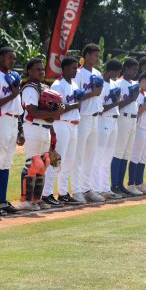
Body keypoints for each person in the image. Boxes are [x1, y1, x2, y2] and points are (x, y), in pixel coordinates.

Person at [19, 58, 64, 210]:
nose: (41, 71)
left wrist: (53, 125)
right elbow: (32, 110)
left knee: (44, 164)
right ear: (29, 71)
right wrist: (54, 113)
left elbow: (56, 107)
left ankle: (37, 200)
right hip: (33, 127)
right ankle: (25, 200)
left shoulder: (44, 87)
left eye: (42, 69)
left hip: (45, 128)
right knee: (33, 163)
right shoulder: (29, 88)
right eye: (37, 69)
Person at [0, 47, 22, 215]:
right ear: (1, 57)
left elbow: (17, 105)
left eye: (14, 59)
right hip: (0, 120)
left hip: (14, 120)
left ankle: (2, 200)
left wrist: (20, 128)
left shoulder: (14, 76)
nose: (12, 61)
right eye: (9, 57)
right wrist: (13, 94)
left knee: (7, 162)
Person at [42, 57, 82, 205]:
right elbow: (54, 109)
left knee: (69, 162)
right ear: (64, 69)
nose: (75, 70)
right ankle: (47, 194)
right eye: (73, 67)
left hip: (73, 125)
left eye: (76, 67)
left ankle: (63, 193)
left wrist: (76, 105)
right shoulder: (58, 85)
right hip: (61, 125)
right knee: (56, 161)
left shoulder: (74, 84)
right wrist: (74, 105)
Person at [72, 43, 105, 203]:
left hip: (95, 117)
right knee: (79, 155)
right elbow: (75, 97)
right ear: (86, 56)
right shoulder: (78, 74)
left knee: (90, 155)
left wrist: (95, 95)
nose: (97, 58)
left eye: (98, 55)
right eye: (95, 55)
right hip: (83, 117)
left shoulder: (98, 73)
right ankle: (76, 190)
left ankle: (86, 188)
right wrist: (92, 93)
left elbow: (100, 96)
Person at [93, 59, 124, 199]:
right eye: (118, 71)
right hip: (103, 119)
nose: (118, 74)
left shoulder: (114, 83)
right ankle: (96, 188)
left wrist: (116, 101)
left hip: (114, 120)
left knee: (108, 156)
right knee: (99, 156)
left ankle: (105, 187)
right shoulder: (100, 83)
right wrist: (116, 101)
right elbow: (100, 108)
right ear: (112, 70)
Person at [110, 58, 141, 197]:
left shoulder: (134, 83)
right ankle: (114, 185)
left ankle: (120, 184)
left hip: (133, 120)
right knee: (118, 153)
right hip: (122, 118)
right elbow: (116, 105)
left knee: (126, 154)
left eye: (136, 69)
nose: (135, 72)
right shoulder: (118, 83)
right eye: (133, 69)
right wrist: (131, 98)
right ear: (126, 68)